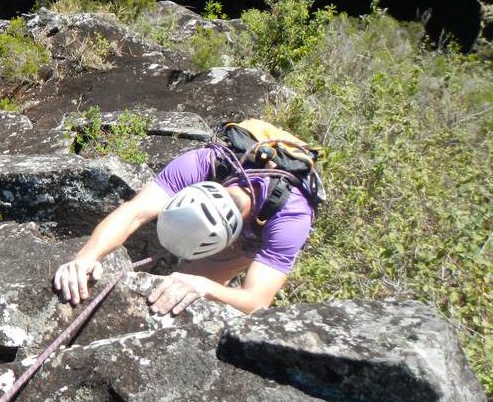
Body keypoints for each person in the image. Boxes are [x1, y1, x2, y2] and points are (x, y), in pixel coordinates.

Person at [53, 120, 320, 315]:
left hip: (255, 233)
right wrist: (86, 256)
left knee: (186, 286)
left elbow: (257, 301)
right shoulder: (201, 164)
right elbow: (134, 212)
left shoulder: (290, 217)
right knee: (181, 284)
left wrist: (204, 286)